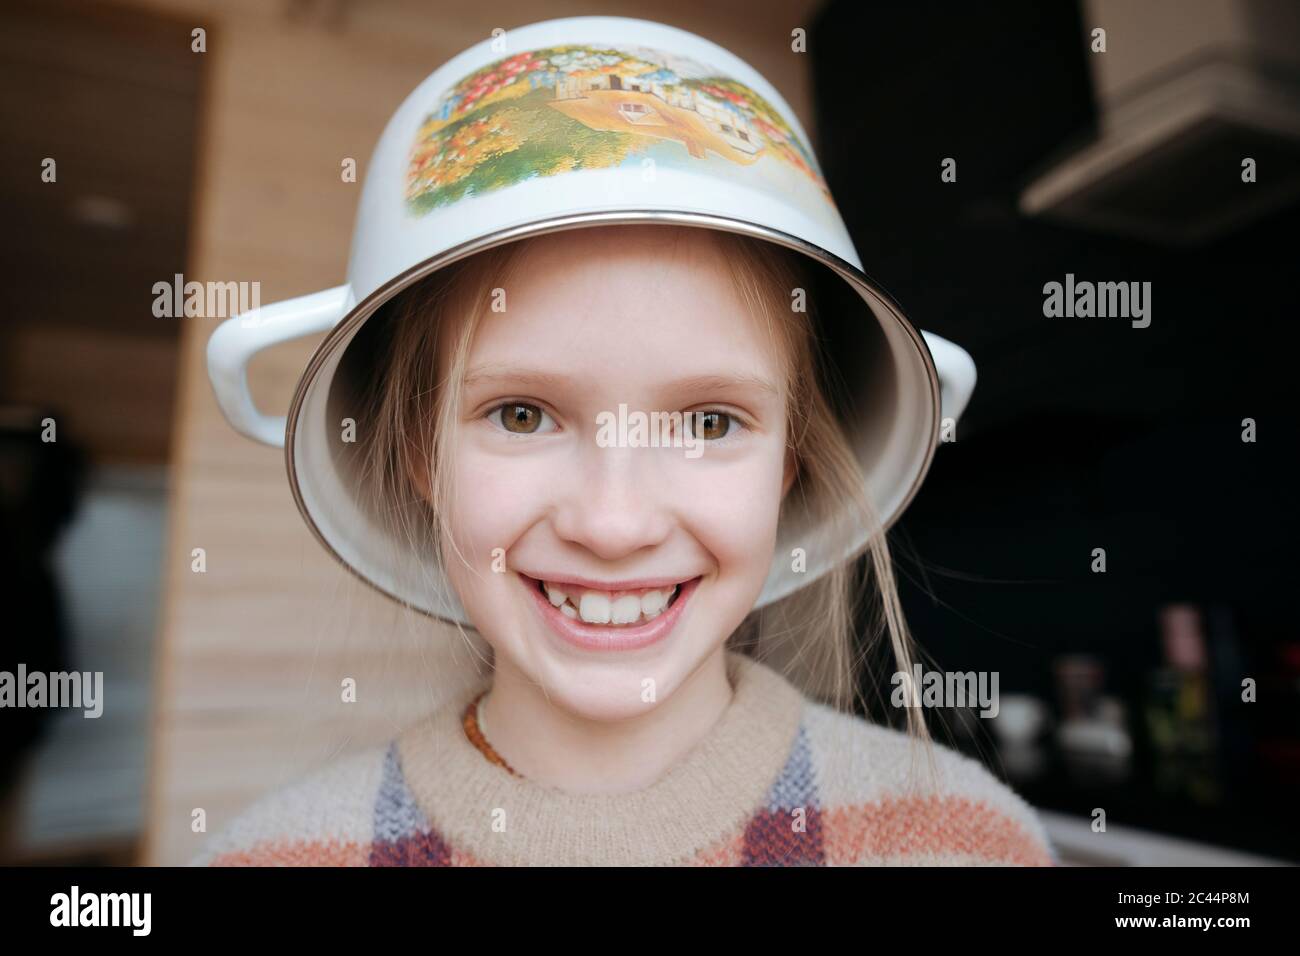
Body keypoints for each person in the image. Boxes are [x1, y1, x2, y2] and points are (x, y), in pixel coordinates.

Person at [193, 223, 1055, 866]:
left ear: (787, 466)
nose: (613, 526)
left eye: (709, 422)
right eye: (521, 415)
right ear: (425, 460)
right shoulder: (271, 858)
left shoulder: (966, 845)